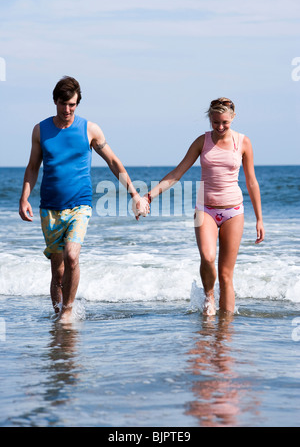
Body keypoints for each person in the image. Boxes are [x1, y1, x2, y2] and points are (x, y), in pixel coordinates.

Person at [19, 76, 149, 323]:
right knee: (57, 271)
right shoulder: (40, 130)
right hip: (50, 209)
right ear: (55, 101)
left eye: (72, 105)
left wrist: (134, 193)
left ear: (78, 103)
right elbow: (33, 166)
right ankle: (59, 316)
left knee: (72, 256)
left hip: (80, 205)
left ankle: (67, 312)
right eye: (63, 104)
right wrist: (24, 197)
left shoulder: (90, 129)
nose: (67, 110)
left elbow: (112, 161)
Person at [139, 98, 264, 316]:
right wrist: (149, 196)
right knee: (207, 258)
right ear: (210, 119)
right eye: (215, 122)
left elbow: (251, 181)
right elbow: (177, 173)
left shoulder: (243, 142)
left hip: (233, 211)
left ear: (233, 117)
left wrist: (260, 219)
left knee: (226, 275)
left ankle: (225, 330)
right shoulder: (202, 142)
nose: (220, 127)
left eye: (225, 122)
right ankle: (209, 296)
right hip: (204, 209)